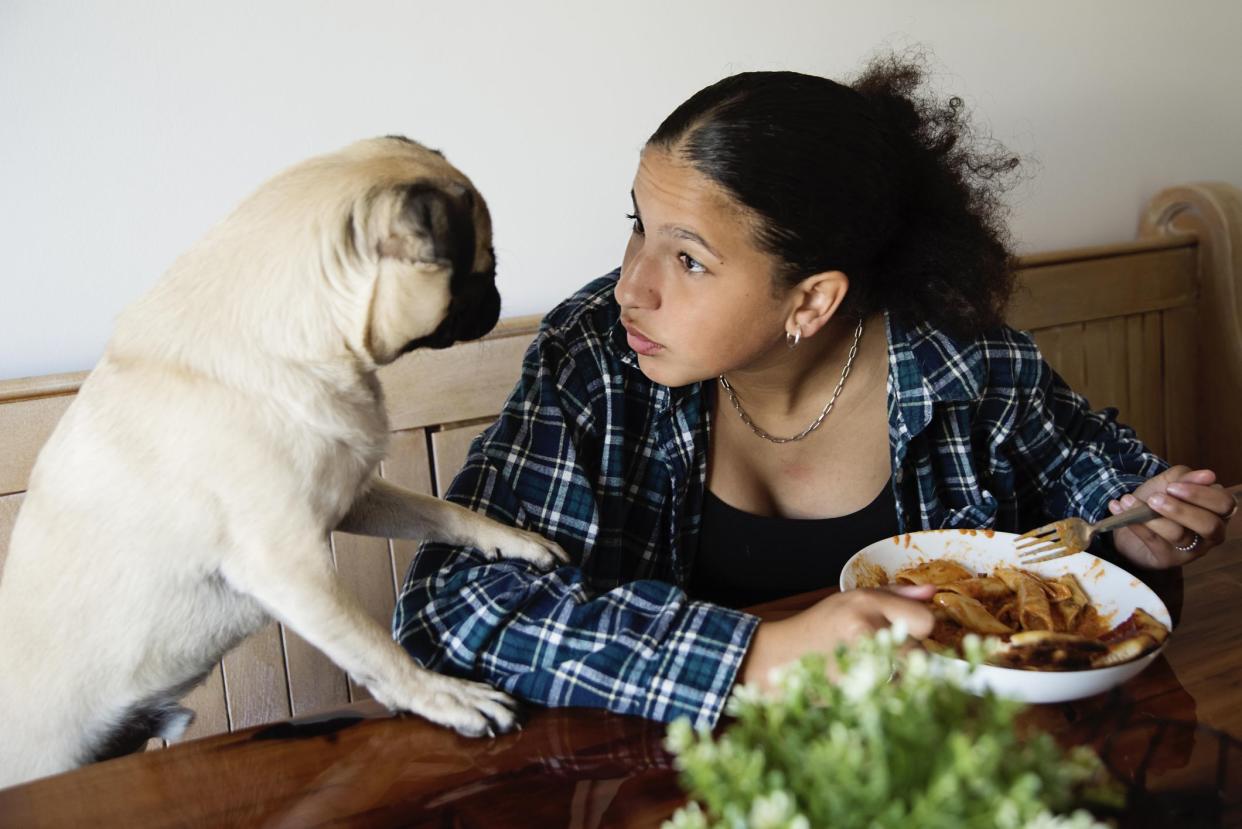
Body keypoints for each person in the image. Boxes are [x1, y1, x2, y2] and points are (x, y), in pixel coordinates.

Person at [392, 57, 1237, 729]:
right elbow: (450, 603)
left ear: (812, 300)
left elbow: (1099, 482)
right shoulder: (595, 357)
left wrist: (1141, 534)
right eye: (637, 227)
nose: (630, 287)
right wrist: (756, 653)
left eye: (687, 259)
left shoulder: (964, 365)